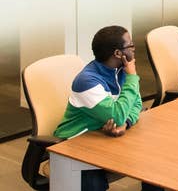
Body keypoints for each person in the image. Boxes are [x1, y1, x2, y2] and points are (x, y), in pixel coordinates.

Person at [53, 26, 160, 191]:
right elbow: (117, 115)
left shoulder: (120, 71)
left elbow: (137, 103)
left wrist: (126, 123)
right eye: (130, 46)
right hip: (74, 145)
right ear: (118, 53)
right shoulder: (87, 81)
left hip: (102, 138)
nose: (134, 48)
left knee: (155, 160)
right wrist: (132, 76)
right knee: (94, 184)